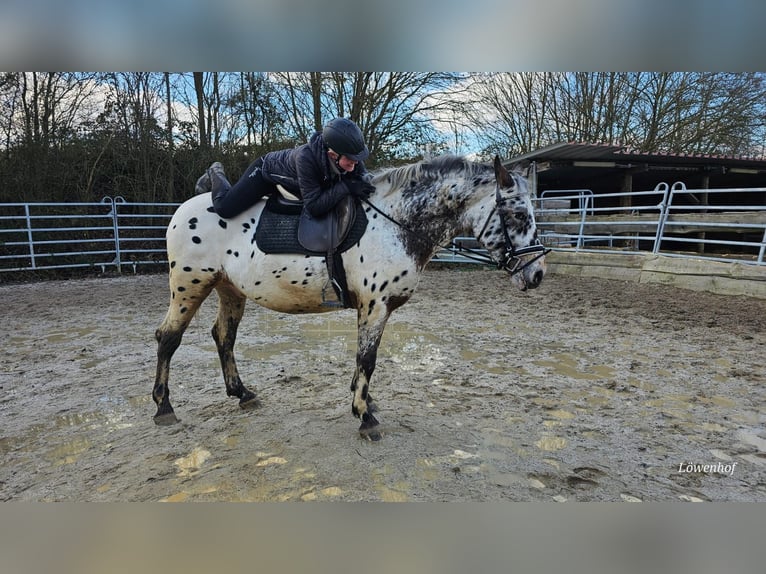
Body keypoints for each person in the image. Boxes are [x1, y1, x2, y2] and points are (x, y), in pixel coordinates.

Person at [195, 117, 375, 219]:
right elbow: (313, 206)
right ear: (332, 155)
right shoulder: (306, 158)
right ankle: (215, 172)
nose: (356, 163)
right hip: (266, 174)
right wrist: (346, 187)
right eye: (351, 159)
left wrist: (364, 182)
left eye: (358, 158)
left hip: (295, 181)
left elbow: (364, 179)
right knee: (225, 209)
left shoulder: (350, 155)